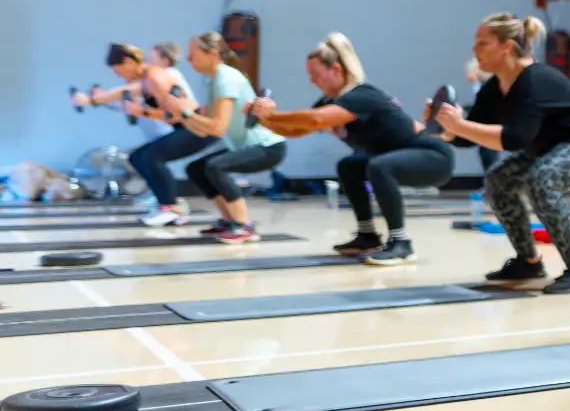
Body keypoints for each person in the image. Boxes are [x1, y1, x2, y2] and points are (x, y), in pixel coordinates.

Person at [438, 14, 570, 295]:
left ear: (506, 46)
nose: (474, 50)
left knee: (543, 178)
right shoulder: (495, 87)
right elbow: (469, 138)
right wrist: (444, 127)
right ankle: (528, 262)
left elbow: (515, 138)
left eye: (482, 43)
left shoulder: (534, 80)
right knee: (499, 180)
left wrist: (459, 125)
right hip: (554, 144)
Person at [248, 33, 453, 266]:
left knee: (379, 166)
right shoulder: (330, 101)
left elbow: (315, 120)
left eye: (316, 75)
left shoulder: (362, 95)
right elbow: (297, 129)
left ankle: (401, 243)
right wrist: (263, 119)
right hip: (397, 159)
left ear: (335, 69)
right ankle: (367, 236)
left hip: (432, 157)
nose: (312, 82)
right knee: (350, 166)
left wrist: (272, 114)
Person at [71, 43, 213, 226]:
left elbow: (175, 114)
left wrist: (141, 111)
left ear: (129, 62)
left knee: (152, 157)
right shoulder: (145, 79)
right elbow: (122, 93)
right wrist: (91, 100)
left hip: (198, 127)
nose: (118, 75)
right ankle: (168, 204)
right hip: (187, 127)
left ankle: (172, 208)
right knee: (137, 157)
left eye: (118, 70)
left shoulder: (156, 76)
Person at [173, 32, 286, 243]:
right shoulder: (213, 82)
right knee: (195, 169)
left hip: (268, 147)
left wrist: (185, 113)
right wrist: (181, 113)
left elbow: (216, 128)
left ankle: (245, 226)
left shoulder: (226, 78)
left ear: (212, 54)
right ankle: (229, 219)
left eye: (192, 54)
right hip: (247, 146)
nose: (188, 60)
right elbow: (202, 129)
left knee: (216, 166)